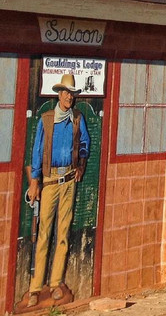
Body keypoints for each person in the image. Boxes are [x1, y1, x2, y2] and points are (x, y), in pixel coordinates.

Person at [26, 73, 90, 307]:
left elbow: (85, 143)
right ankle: (35, 288)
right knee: (43, 234)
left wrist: (81, 165)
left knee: (62, 234)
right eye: (64, 92)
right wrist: (35, 180)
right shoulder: (46, 119)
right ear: (59, 94)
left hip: (69, 180)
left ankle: (55, 283)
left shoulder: (77, 118)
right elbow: (36, 150)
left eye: (71, 93)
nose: (68, 97)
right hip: (50, 180)